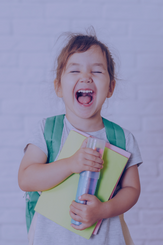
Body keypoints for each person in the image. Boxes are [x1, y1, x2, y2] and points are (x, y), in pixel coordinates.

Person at [18, 30, 142, 245]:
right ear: (58, 86)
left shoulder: (122, 138)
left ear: (111, 87)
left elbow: (132, 189)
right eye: (75, 70)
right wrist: (70, 163)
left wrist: (104, 209)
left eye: (96, 71)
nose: (86, 76)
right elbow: (26, 179)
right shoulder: (47, 130)